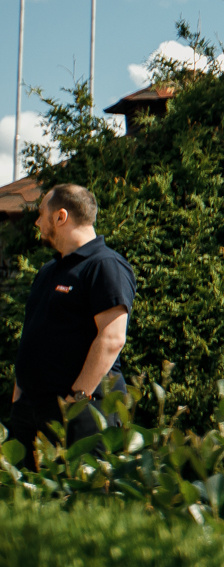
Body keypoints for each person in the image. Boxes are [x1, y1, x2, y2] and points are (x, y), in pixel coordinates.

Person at [9, 183, 134, 456]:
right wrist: (19, 396)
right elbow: (32, 333)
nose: (37, 221)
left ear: (60, 217)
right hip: (31, 411)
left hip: (79, 415)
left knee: (78, 496)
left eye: (42, 213)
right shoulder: (48, 271)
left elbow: (112, 339)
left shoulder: (104, 265)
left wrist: (74, 401)